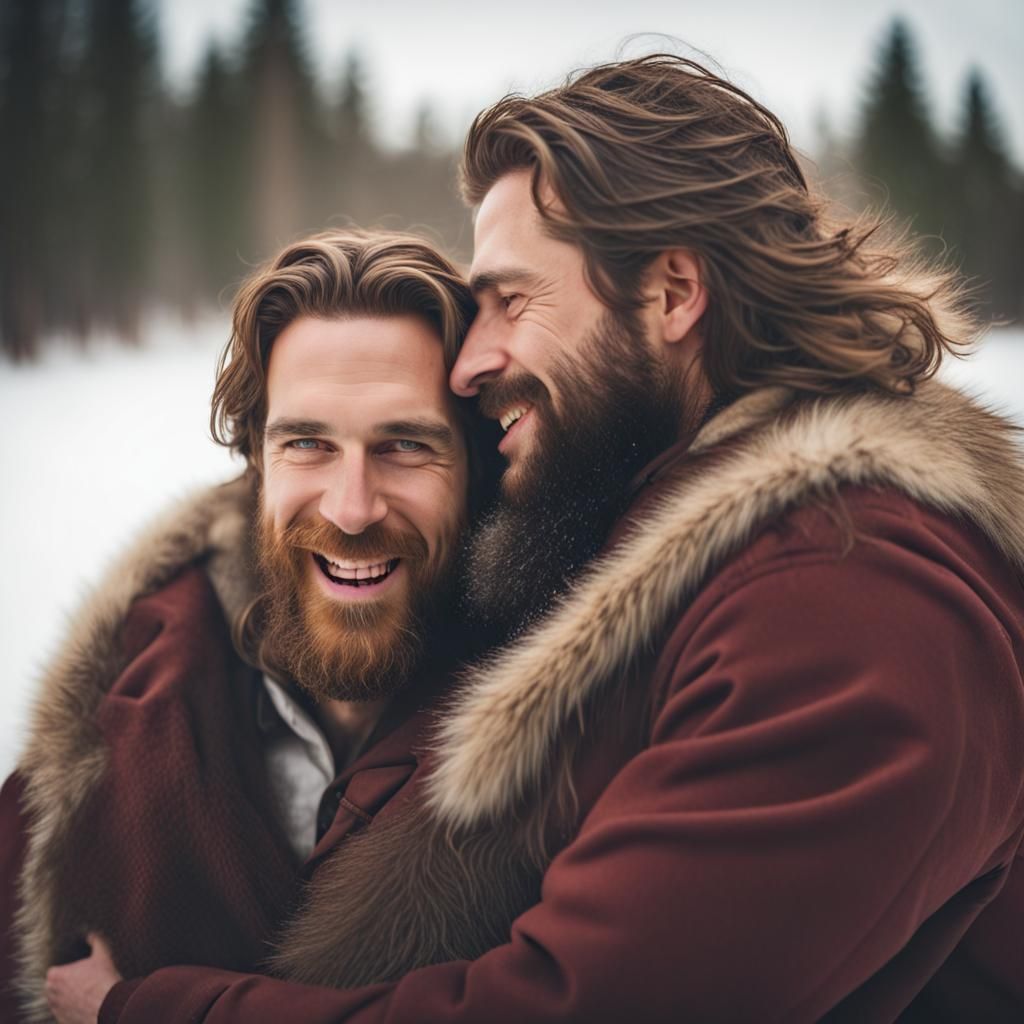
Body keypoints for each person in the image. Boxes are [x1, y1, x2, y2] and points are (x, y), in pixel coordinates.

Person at [40, 55, 1024, 1024]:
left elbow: (576, 1003)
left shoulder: (851, 596)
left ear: (673, 293)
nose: (472, 360)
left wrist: (147, 1010)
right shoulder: (662, 542)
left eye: (510, 300)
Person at [0, 229, 485, 1023]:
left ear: (478, 465)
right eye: (307, 444)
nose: (352, 507)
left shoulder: (571, 742)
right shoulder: (115, 715)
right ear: (256, 461)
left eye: (405, 445)